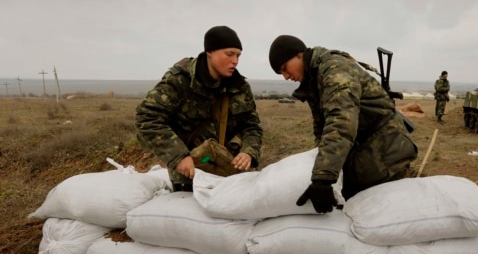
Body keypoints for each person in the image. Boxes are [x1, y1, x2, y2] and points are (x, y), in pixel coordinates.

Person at [268, 35, 418, 213]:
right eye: (280, 73)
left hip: (387, 151)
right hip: (366, 151)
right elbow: (322, 129)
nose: (285, 76)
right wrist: (320, 165)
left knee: (380, 213)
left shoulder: (334, 69)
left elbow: (341, 121)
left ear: (299, 55)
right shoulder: (314, 79)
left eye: (285, 68)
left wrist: (323, 177)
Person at [135, 26, 263, 192]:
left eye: (238, 55)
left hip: (228, 172)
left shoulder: (240, 87)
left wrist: (248, 153)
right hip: (190, 175)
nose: (235, 61)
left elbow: (252, 127)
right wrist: (178, 156)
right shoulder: (180, 80)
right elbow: (147, 117)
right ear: (210, 52)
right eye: (229, 54)